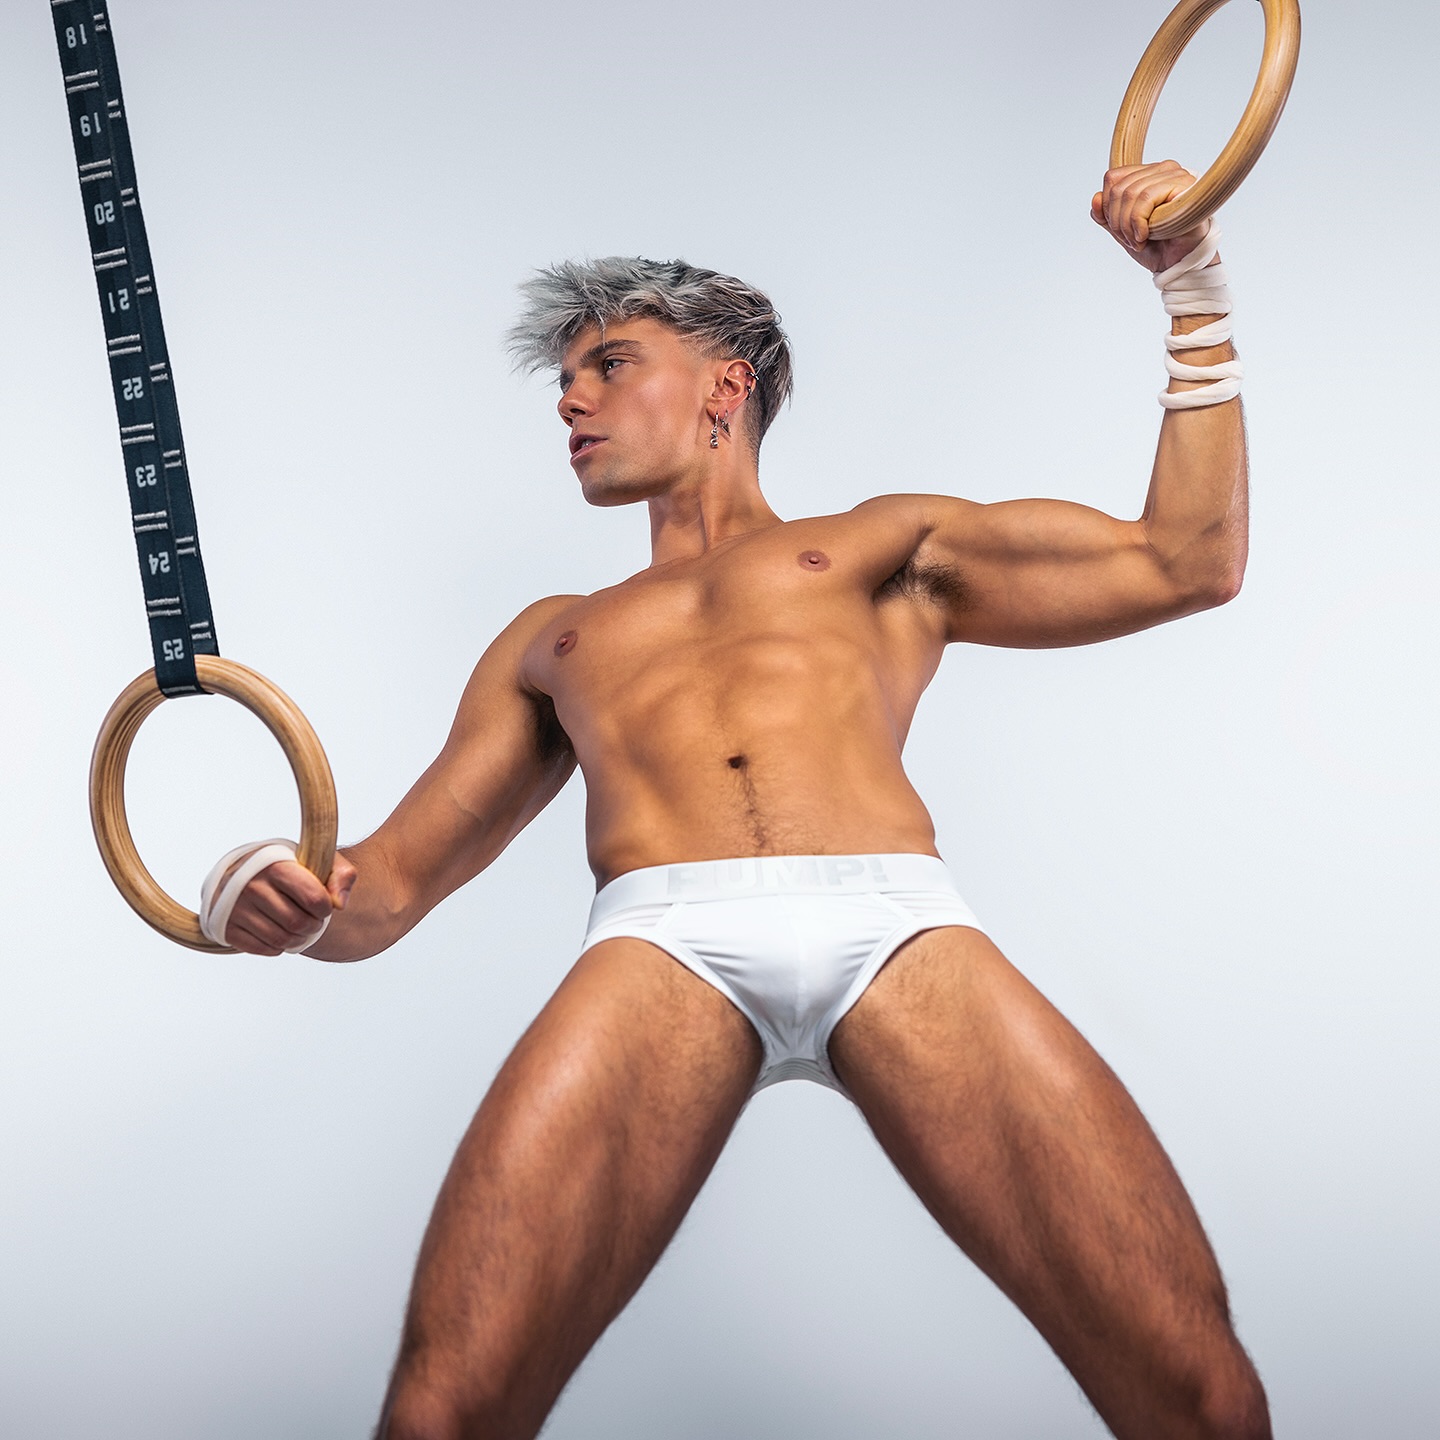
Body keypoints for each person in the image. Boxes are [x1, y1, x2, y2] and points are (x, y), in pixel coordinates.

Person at [204, 161, 1267, 1439]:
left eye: (608, 365)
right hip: (664, 943)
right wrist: (265, 893)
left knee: (1197, 1388)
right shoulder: (556, 636)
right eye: (565, 381)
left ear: (726, 385)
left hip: (894, 924)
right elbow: (377, 894)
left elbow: (1188, 559)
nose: (570, 400)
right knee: (444, 1409)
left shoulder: (879, 544)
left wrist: (1192, 284)